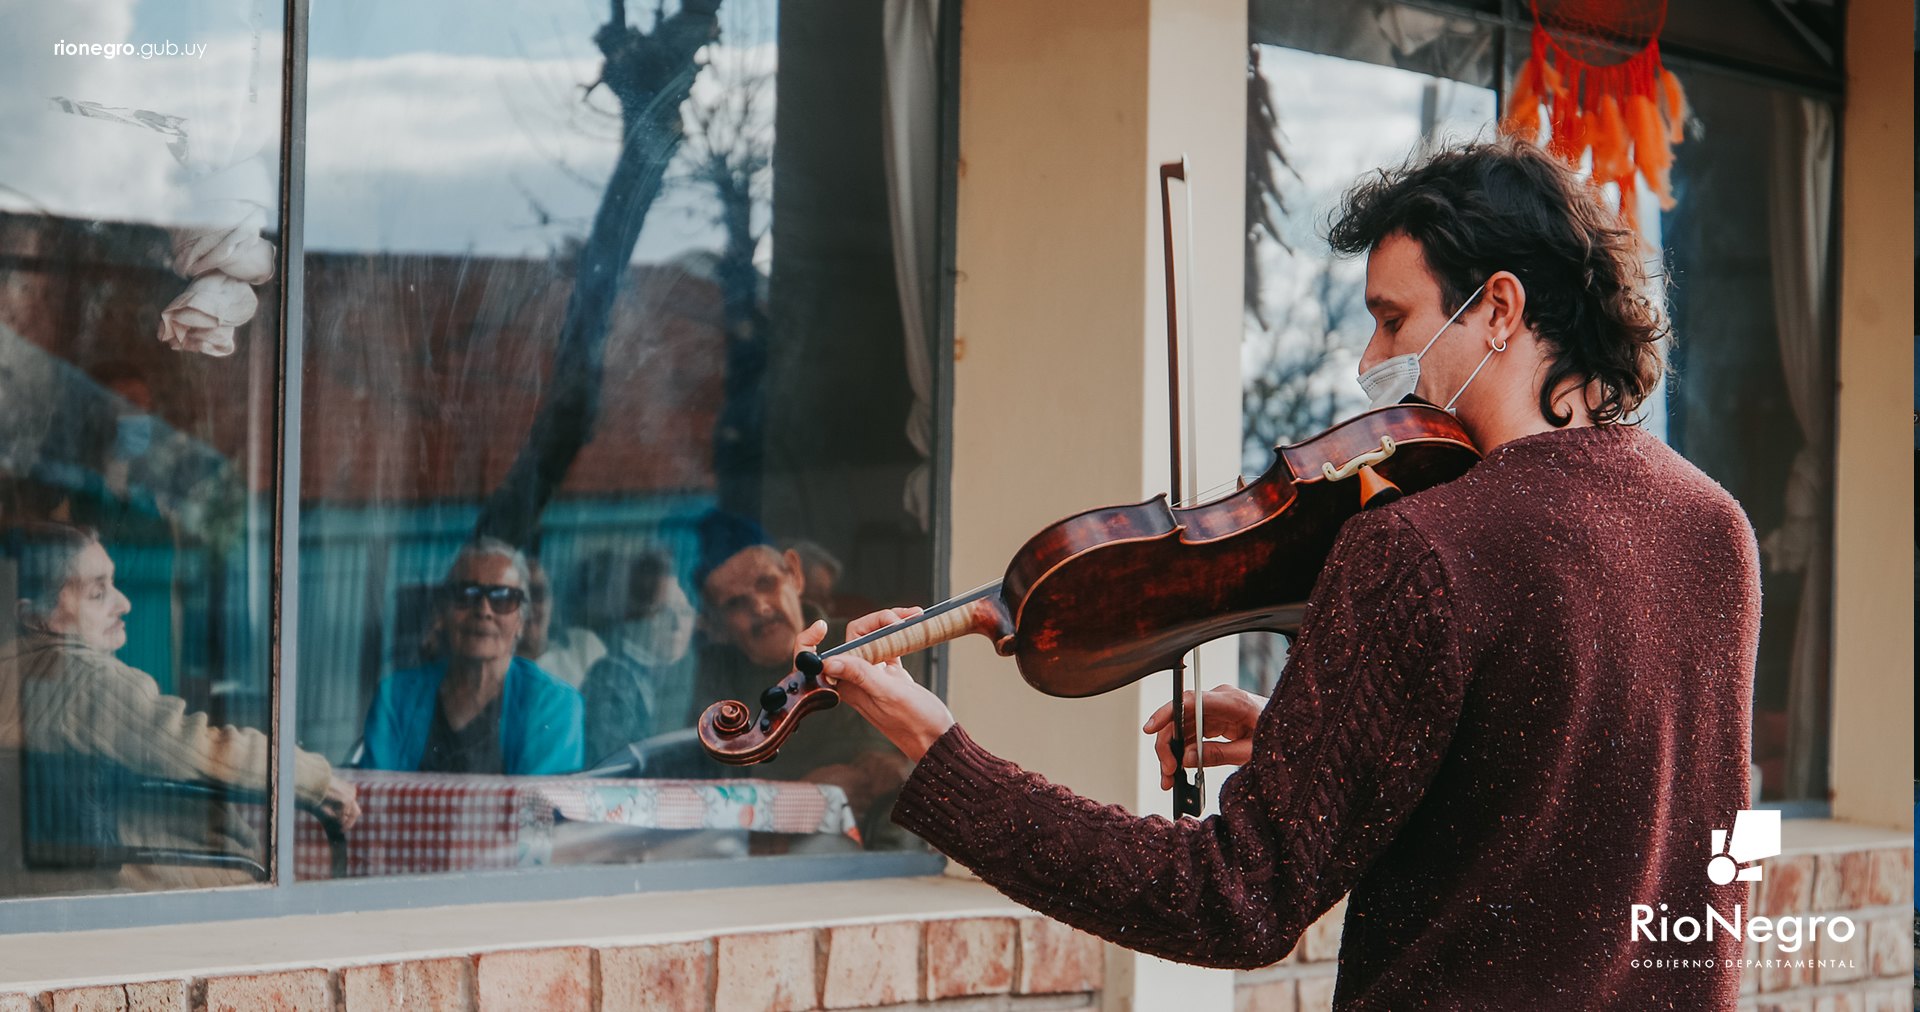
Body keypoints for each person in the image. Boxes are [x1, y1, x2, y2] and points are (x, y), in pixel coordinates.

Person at [816, 141, 1760, 1009]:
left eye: (1394, 321)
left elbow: (1232, 900)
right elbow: (1600, 809)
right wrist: (1325, 744)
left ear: (1500, 310)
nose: (1371, 361)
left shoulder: (1425, 548)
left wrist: (940, 753)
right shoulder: (1715, 525)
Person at [0, 522, 360, 894]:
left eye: (113, 584)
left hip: (29, 893)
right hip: (133, 888)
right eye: (97, 593)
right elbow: (204, 750)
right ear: (35, 617)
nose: (124, 603)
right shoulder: (84, 680)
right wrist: (317, 781)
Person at [689, 511, 912, 830]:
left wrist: (894, 766)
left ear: (794, 573)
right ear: (715, 625)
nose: (761, 607)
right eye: (736, 603)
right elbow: (707, 784)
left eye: (767, 583)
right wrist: (802, 795)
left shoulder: (865, 646)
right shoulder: (714, 682)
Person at [359, 539, 583, 776]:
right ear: (443, 613)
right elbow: (374, 798)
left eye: (503, 598)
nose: (483, 610)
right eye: (466, 594)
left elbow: (537, 808)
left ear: (520, 621)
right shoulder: (396, 697)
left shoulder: (554, 703)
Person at [580, 550, 696, 766]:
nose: (677, 626)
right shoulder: (609, 679)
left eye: (684, 612)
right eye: (662, 612)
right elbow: (615, 768)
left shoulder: (694, 671)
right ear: (632, 619)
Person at [517, 556, 607, 690]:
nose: (528, 606)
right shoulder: (492, 665)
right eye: (519, 596)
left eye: (537, 593)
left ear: (552, 602)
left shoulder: (584, 646)